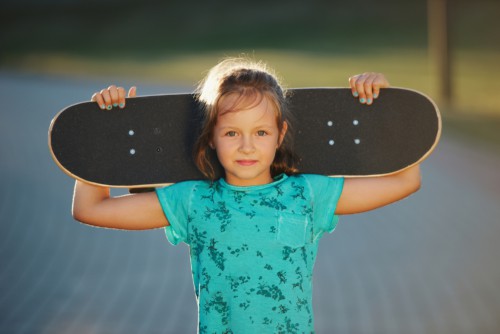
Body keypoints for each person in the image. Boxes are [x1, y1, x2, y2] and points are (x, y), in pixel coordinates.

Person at [73, 58, 421, 333]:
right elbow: (90, 208)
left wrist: (383, 106)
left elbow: (406, 180)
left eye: (261, 131)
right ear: (211, 136)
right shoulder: (194, 201)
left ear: (280, 133)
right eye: (231, 132)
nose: (247, 145)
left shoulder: (307, 194)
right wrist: (107, 132)